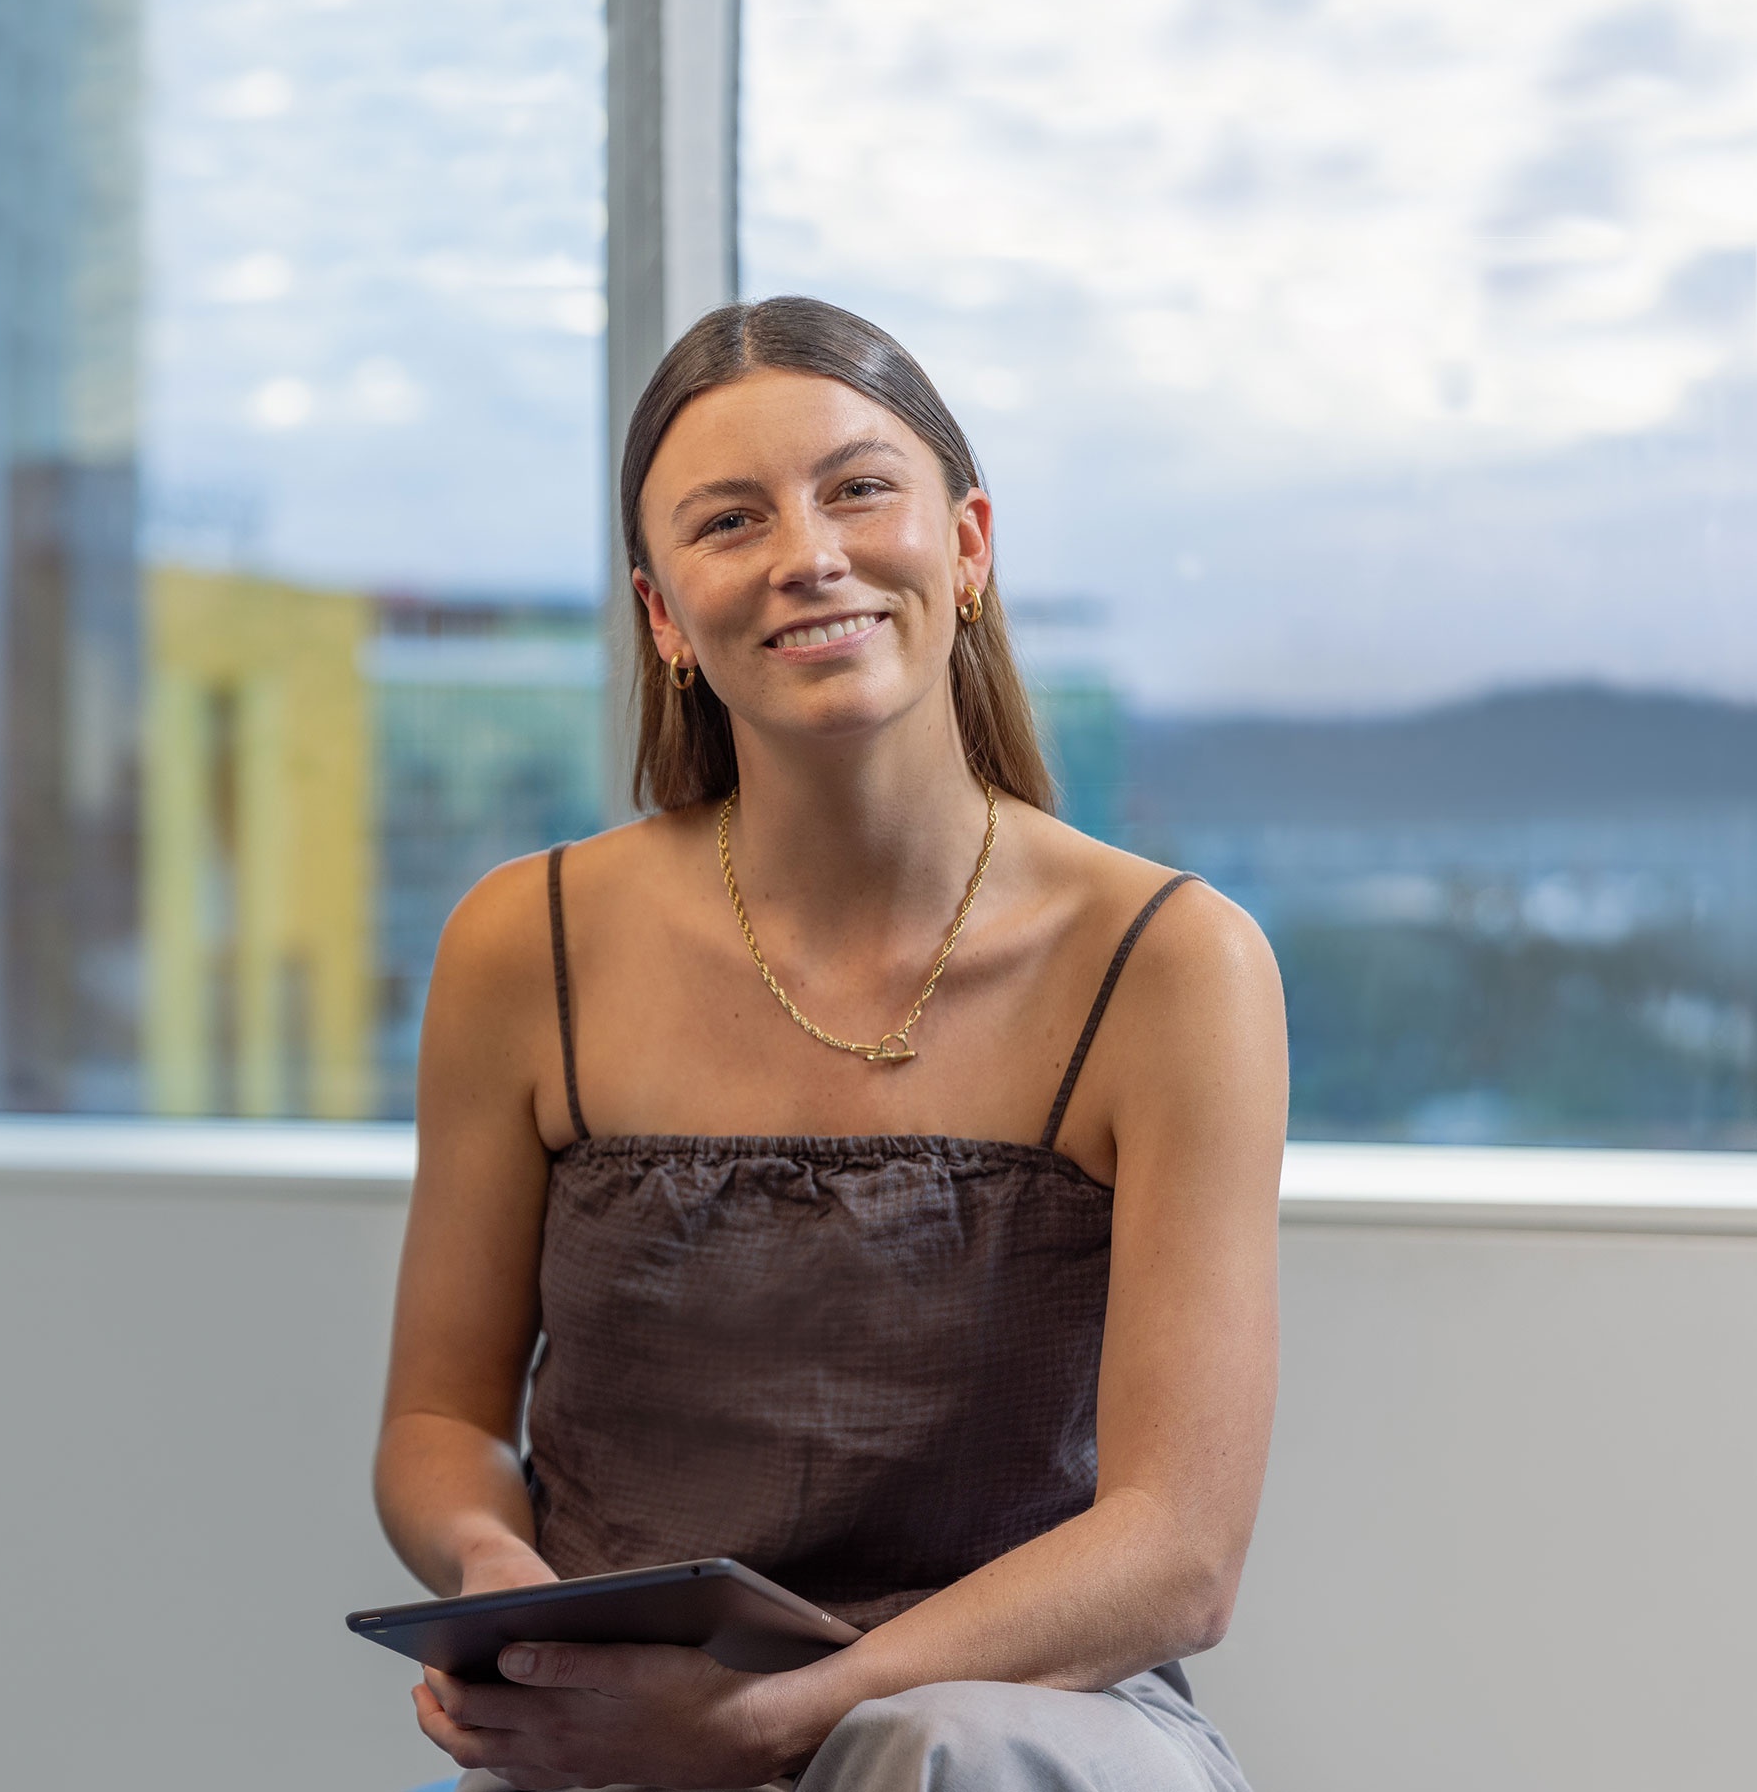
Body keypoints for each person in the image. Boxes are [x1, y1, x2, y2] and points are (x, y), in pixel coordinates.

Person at [374, 296, 1287, 1792]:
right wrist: (493, 1575)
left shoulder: (1175, 964)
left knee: (933, 1749)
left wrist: (788, 1720)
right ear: (665, 614)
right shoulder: (519, 942)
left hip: (1013, 1727)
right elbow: (439, 1418)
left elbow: (1176, 1556)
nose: (808, 552)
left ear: (970, 546)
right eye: (730, 520)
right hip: (630, 1735)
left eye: (860, 487)